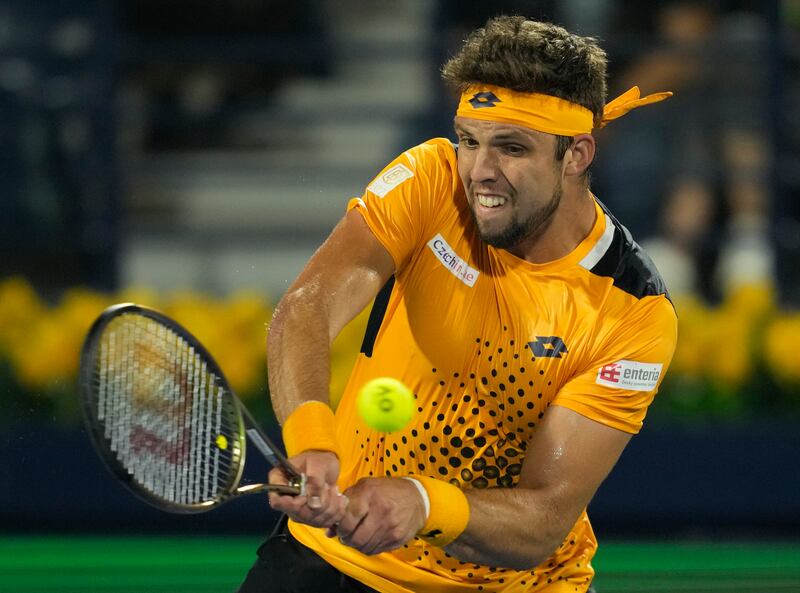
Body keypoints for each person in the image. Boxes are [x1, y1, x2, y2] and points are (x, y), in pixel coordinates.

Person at [238, 15, 677, 593]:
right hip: (329, 564)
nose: (481, 172)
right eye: (470, 140)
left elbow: (542, 522)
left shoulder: (634, 310)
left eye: (511, 148)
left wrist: (424, 504)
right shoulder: (431, 178)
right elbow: (306, 309)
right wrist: (313, 443)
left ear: (576, 155)